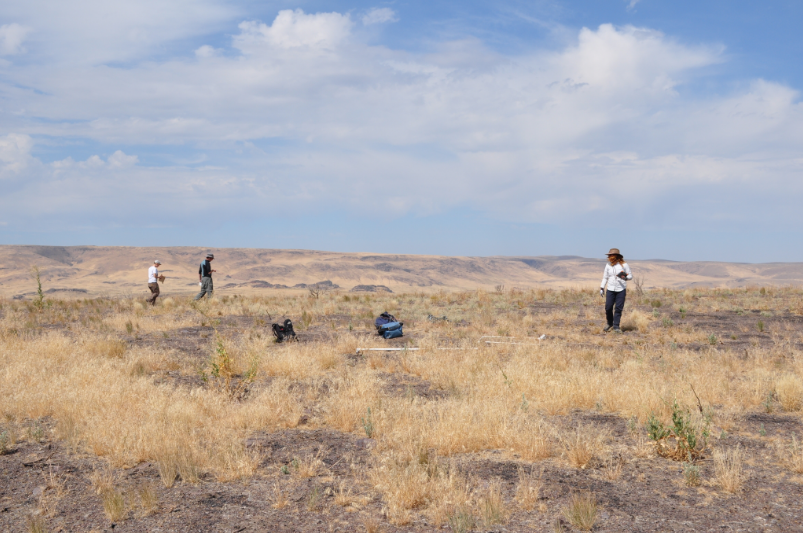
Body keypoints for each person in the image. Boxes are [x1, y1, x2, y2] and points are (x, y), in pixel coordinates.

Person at [600, 248, 632, 333]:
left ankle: (616, 326)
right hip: (610, 289)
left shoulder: (624, 265)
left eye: (611, 255)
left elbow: (630, 276)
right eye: (609, 255)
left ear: (616, 256)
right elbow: (605, 277)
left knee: (618, 308)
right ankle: (609, 323)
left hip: (621, 289)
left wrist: (625, 277)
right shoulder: (608, 265)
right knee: (608, 307)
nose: (610, 257)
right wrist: (602, 287)